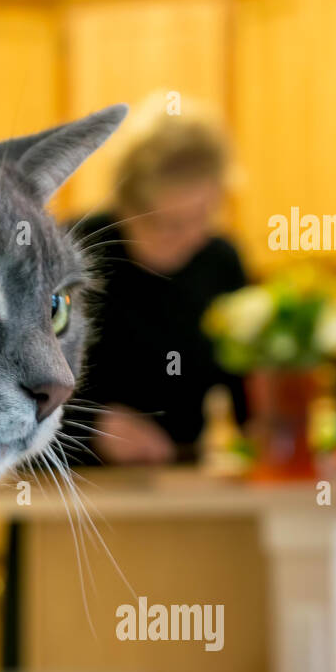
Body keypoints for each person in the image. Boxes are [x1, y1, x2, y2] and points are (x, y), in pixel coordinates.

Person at [67, 114, 248, 465]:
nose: (191, 236)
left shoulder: (220, 262)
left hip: (179, 479)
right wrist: (93, 426)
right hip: (71, 484)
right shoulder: (75, 252)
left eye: (203, 217)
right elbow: (16, 381)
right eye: (170, 224)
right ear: (126, 208)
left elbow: (243, 382)